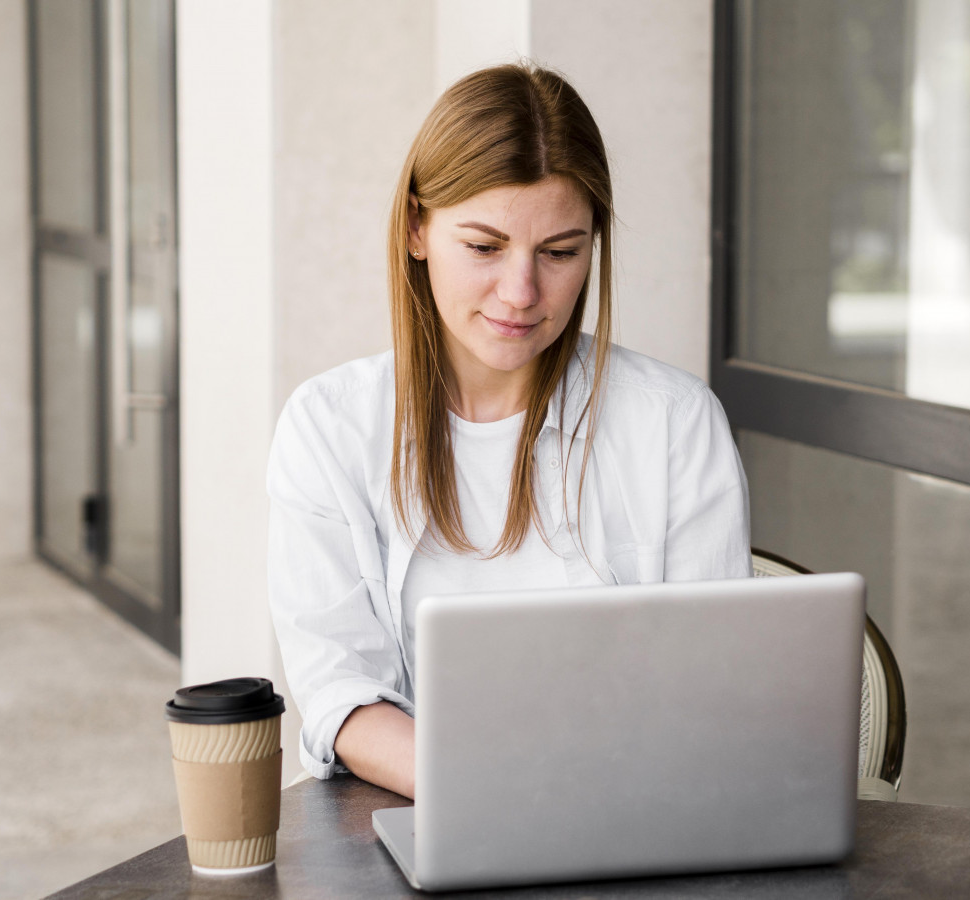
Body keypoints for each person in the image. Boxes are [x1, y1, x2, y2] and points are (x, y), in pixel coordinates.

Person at [267, 63, 751, 801]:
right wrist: (502, 794)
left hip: (634, 811)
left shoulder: (675, 424)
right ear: (417, 229)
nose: (522, 295)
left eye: (560, 253)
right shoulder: (328, 428)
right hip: (421, 808)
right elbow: (341, 696)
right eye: (485, 248)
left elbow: (710, 693)